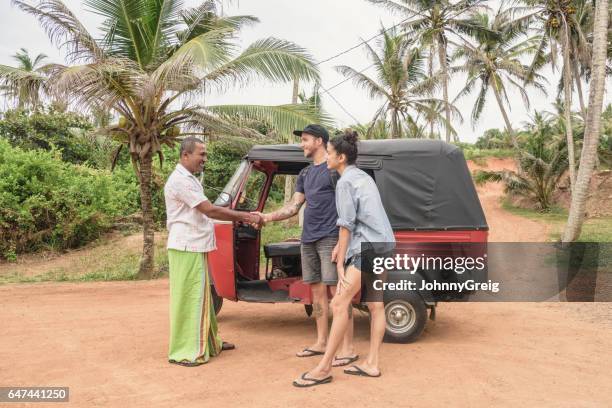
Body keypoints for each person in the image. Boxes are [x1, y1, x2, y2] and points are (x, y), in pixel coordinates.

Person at [293, 130, 395, 387]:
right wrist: (341, 246)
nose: (326, 157)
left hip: (367, 249)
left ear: (340, 157)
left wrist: (340, 263)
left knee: (339, 303)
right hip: (383, 245)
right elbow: (363, 217)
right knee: (376, 305)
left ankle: (324, 368)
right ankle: (371, 363)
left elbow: (346, 224)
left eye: (329, 153)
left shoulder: (345, 182)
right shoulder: (363, 177)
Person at [254, 124, 356, 366]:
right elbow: (293, 207)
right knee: (318, 293)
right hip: (308, 239)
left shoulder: (334, 171)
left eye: (306, 140)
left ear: (319, 142)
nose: (302, 144)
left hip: (330, 238)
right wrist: (266, 217)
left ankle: (348, 347)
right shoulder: (305, 174)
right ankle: (321, 341)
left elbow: (349, 208)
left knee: (338, 294)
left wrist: (344, 244)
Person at [164, 137, 262, 367]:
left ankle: (208, 341)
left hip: (195, 245)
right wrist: (244, 216)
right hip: (186, 246)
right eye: (202, 154)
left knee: (202, 297)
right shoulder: (181, 181)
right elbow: (208, 210)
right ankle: (187, 350)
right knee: (190, 299)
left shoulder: (189, 178)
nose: (204, 160)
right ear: (185, 155)